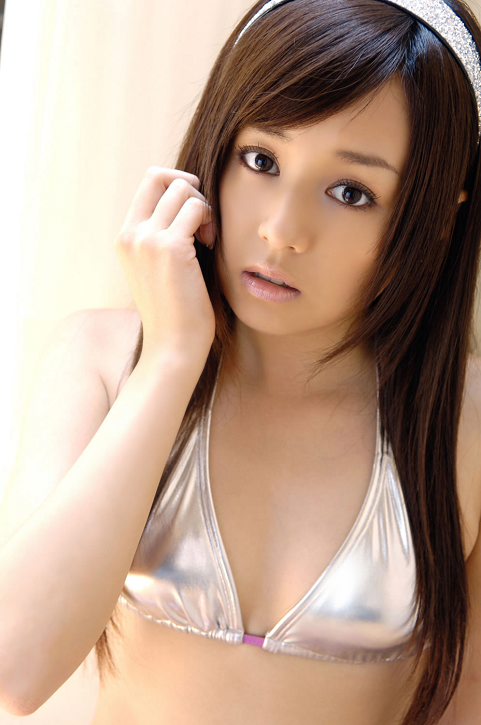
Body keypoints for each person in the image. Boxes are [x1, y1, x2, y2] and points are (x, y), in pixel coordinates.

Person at [0, 0, 480, 722]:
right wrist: (171, 360)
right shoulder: (101, 360)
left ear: (437, 212)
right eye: (262, 160)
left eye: (351, 192)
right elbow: (15, 667)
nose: (282, 230)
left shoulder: (462, 423)